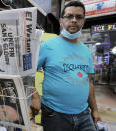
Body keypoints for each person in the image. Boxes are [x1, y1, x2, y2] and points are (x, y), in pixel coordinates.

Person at [30, 1, 101, 131]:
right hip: (55, 115)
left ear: (83, 21)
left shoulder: (86, 51)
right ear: (61, 20)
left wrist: (95, 109)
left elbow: (89, 81)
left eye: (79, 17)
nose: (74, 20)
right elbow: (28, 73)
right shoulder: (47, 46)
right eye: (69, 16)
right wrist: (35, 96)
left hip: (84, 114)